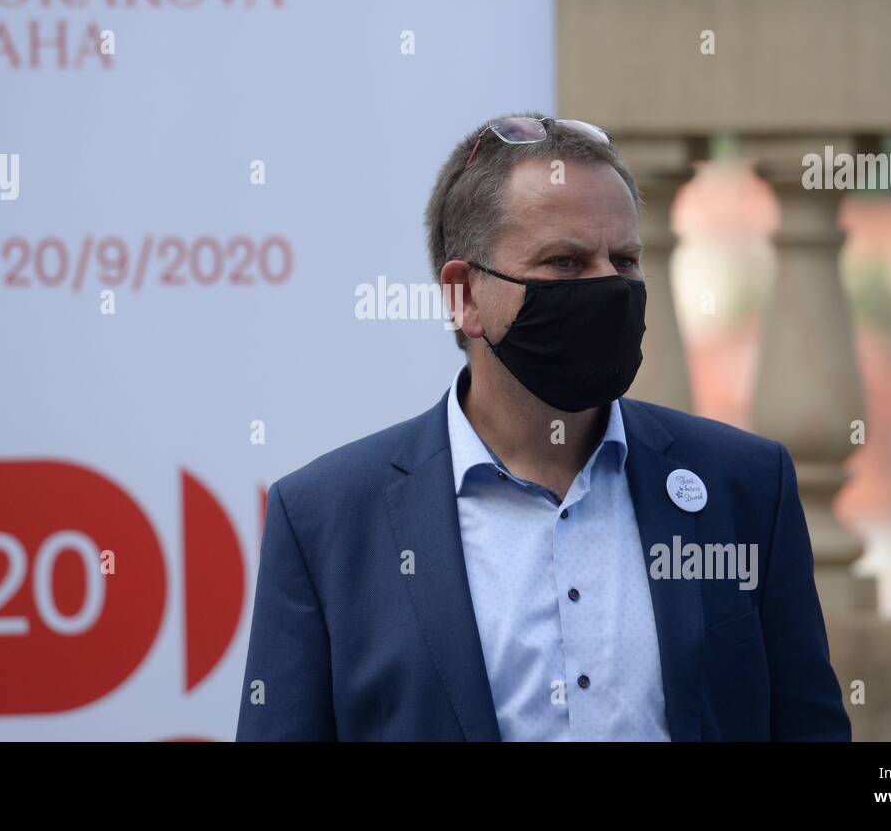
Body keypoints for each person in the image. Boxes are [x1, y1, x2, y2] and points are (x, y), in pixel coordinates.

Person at [236, 114, 851, 741]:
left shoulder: (742, 485)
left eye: (626, 259)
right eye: (565, 262)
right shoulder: (326, 518)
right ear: (465, 297)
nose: (609, 286)